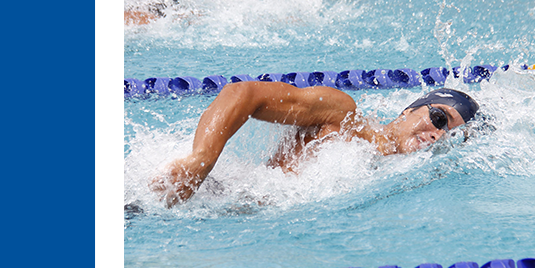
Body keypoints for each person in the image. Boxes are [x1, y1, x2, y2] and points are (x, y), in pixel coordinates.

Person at [149, 81, 479, 207]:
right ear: (409, 109)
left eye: (449, 133)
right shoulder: (344, 115)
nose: (438, 134)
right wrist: (201, 159)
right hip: (205, 196)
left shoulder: (407, 174)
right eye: (439, 118)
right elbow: (241, 94)